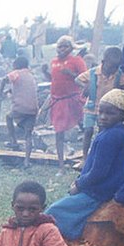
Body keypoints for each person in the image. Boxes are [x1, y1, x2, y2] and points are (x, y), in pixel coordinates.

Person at [45, 89, 124, 239]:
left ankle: (69, 236)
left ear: (123, 115)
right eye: (101, 112)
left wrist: (79, 184)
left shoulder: (111, 136)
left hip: (99, 190)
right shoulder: (117, 131)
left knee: (54, 211)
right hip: (102, 186)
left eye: (110, 113)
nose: (103, 117)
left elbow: (99, 172)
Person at [42, 35, 87, 172]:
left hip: (73, 100)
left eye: (65, 46)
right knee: (59, 132)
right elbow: (54, 79)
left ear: (71, 48)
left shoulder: (77, 61)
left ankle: (86, 159)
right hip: (58, 100)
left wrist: (71, 74)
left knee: (86, 129)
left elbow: (85, 79)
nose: (61, 49)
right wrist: (45, 72)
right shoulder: (54, 62)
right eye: (59, 46)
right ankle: (61, 165)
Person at [77, 46, 124, 157]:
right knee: (88, 131)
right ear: (103, 62)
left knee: (102, 133)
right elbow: (77, 79)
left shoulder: (119, 75)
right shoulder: (93, 73)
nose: (113, 70)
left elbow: (123, 87)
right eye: (111, 67)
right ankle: (85, 157)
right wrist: (86, 85)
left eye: (116, 67)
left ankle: (97, 155)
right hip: (91, 107)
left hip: (107, 110)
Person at [0, 56, 38, 168]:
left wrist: (0, 94)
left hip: (21, 107)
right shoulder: (30, 75)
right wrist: (9, 91)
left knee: (8, 117)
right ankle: (27, 161)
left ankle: (14, 141)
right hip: (33, 108)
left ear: (16, 65)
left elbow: (4, 80)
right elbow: (23, 88)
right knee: (28, 134)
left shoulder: (16, 73)